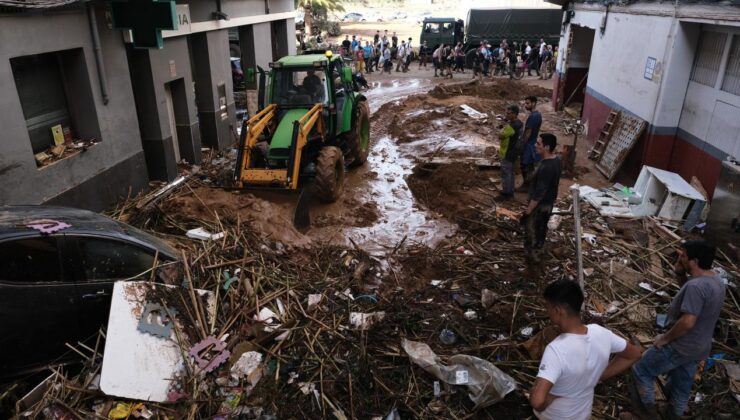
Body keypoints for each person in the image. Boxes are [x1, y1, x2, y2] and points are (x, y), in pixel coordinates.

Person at [630, 240, 726, 419]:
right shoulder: (716, 281)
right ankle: (674, 416)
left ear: (694, 261)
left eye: (683, 256)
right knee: (681, 387)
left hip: (680, 345)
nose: (679, 258)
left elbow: (688, 321)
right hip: (698, 347)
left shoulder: (696, 287)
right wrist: (679, 273)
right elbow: (693, 298)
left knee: (641, 370)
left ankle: (645, 414)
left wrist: (664, 338)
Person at [530, 280, 641, 420]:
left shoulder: (556, 350)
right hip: (583, 415)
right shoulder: (601, 333)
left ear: (557, 310)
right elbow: (634, 354)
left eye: (548, 307)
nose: (547, 312)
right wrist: (599, 375)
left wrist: (549, 399)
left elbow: (537, 401)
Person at [521, 133, 560, 262]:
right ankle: (539, 249)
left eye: (538, 144)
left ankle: (533, 257)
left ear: (547, 147)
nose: (535, 145)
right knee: (541, 228)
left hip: (540, 205)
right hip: (548, 203)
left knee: (533, 230)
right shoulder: (556, 160)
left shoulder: (547, 167)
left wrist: (527, 212)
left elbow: (539, 193)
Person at [496, 105, 523, 200]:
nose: (506, 115)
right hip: (514, 152)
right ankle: (510, 191)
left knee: (506, 173)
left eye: (508, 113)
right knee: (511, 173)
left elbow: (500, 135)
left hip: (507, 152)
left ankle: (506, 193)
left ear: (514, 114)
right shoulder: (519, 123)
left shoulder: (512, 126)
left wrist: (501, 128)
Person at [520, 96, 542, 188]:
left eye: (528, 103)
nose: (525, 105)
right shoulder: (538, 115)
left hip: (529, 144)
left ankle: (527, 185)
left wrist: (522, 145)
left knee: (525, 166)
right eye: (525, 103)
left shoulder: (533, 117)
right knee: (529, 166)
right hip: (532, 142)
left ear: (534, 103)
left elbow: (528, 133)